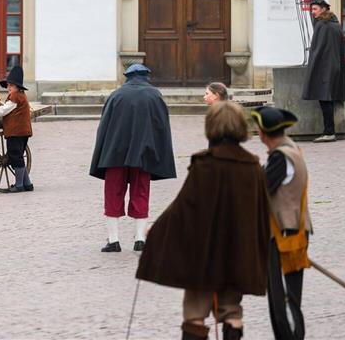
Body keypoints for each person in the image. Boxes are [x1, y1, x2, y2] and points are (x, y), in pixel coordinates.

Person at [136, 101, 270, 340]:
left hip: (204, 255)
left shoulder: (205, 165)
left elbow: (183, 208)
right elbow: (262, 211)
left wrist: (156, 229)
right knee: (232, 309)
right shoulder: (254, 167)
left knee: (195, 312)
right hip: (238, 252)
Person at [89, 64, 176, 252]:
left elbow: (104, 127)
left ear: (127, 76)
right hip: (143, 154)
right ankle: (140, 239)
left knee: (113, 193)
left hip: (115, 154)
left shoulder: (116, 95)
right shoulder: (154, 95)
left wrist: (102, 152)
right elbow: (162, 127)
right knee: (141, 192)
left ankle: (113, 241)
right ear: (146, 76)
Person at [252, 106, 312, 340]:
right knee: (286, 299)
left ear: (265, 134)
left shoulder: (281, 156)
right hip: (290, 231)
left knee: (283, 301)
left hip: (285, 235)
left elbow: (261, 191)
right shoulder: (290, 148)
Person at [302, 0, 345, 142]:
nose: (312, 12)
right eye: (312, 9)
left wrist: (312, 65)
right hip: (335, 66)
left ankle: (329, 132)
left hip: (324, 67)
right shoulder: (335, 24)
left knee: (325, 98)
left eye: (315, 9)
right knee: (328, 98)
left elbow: (318, 49)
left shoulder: (322, 25)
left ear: (322, 9)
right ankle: (329, 131)